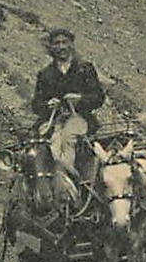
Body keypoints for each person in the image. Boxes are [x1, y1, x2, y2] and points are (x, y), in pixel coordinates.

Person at [30, 27, 106, 184]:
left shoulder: (84, 68)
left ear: (71, 44)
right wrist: (48, 105)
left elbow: (98, 98)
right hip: (53, 120)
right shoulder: (45, 74)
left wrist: (80, 99)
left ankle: (66, 175)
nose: (61, 47)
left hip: (80, 117)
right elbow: (36, 104)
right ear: (51, 47)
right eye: (56, 43)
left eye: (65, 42)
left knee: (68, 137)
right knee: (39, 142)